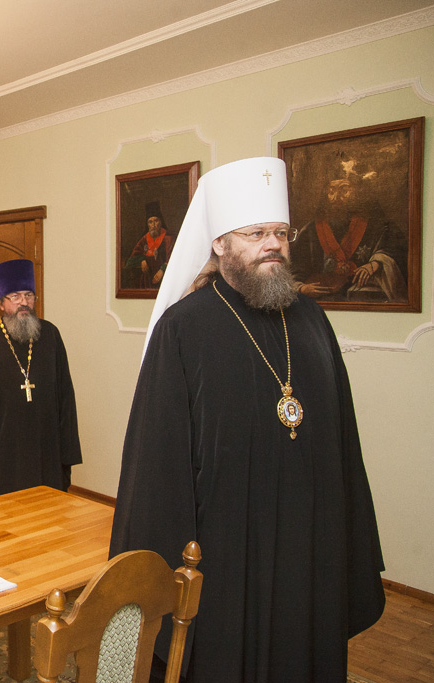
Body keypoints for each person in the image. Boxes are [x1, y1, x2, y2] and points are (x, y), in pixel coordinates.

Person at [111, 157, 385, 682]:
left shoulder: (312, 319)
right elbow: (158, 467)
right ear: (219, 244)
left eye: (281, 232)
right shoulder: (183, 330)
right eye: (256, 233)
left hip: (310, 546)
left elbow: (343, 441)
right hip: (228, 557)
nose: (273, 245)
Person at [0, 259, 82, 500]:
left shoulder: (50, 335)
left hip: (45, 443)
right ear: (1, 303)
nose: (23, 302)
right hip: (2, 446)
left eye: (28, 295)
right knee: (4, 507)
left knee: (48, 504)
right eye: (15, 296)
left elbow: (65, 395)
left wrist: (66, 449)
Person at [291, 160, 407, 303]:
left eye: (344, 190)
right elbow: (295, 268)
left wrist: (376, 263)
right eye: (331, 191)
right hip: (322, 300)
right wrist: (301, 288)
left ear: (356, 193)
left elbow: (397, 248)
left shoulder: (375, 225)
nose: (336, 197)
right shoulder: (311, 230)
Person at [123, 201, 173, 288]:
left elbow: (174, 259)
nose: (153, 225)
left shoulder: (168, 238)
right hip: (147, 282)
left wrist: (162, 270)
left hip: (165, 280)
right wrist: (142, 260)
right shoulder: (144, 239)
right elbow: (130, 262)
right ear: (147, 224)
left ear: (161, 222)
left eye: (156, 221)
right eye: (150, 222)